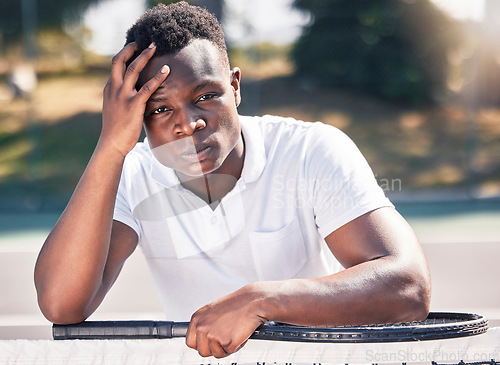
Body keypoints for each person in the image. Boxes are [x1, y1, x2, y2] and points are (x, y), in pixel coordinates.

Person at [34, 1, 431, 359]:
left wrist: (262, 300)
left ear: (235, 86)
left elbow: (408, 286)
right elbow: (61, 303)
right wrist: (109, 146)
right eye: (160, 109)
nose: (188, 124)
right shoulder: (132, 171)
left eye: (205, 96)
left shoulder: (310, 149)